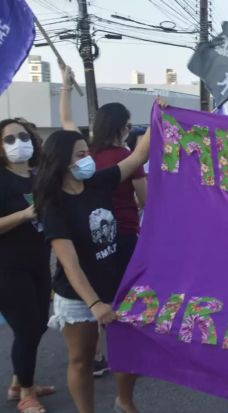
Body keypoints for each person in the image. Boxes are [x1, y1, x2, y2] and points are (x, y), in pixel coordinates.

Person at [35, 127, 152, 413]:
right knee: (81, 360)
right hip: (78, 297)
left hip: (118, 286)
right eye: (81, 155)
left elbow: (139, 156)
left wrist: (160, 116)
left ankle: (125, 403)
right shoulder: (54, 205)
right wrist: (96, 304)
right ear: (61, 161)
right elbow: (69, 264)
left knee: (129, 354)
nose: (89, 159)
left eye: (88, 152)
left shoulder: (98, 182)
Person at [60, 66, 149, 377]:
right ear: (123, 128)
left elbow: (67, 123)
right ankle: (121, 355)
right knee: (120, 298)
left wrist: (65, 89)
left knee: (93, 292)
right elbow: (145, 198)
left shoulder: (83, 154)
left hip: (87, 236)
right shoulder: (124, 159)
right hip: (122, 234)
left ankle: (95, 355)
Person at [0, 118, 55, 413]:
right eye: (9, 139)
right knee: (26, 330)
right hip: (8, 269)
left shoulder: (37, 177)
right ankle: (26, 394)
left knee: (38, 326)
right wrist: (23, 215)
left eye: (23, 136)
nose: (18, 143)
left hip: (38, 263)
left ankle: (19, 382)